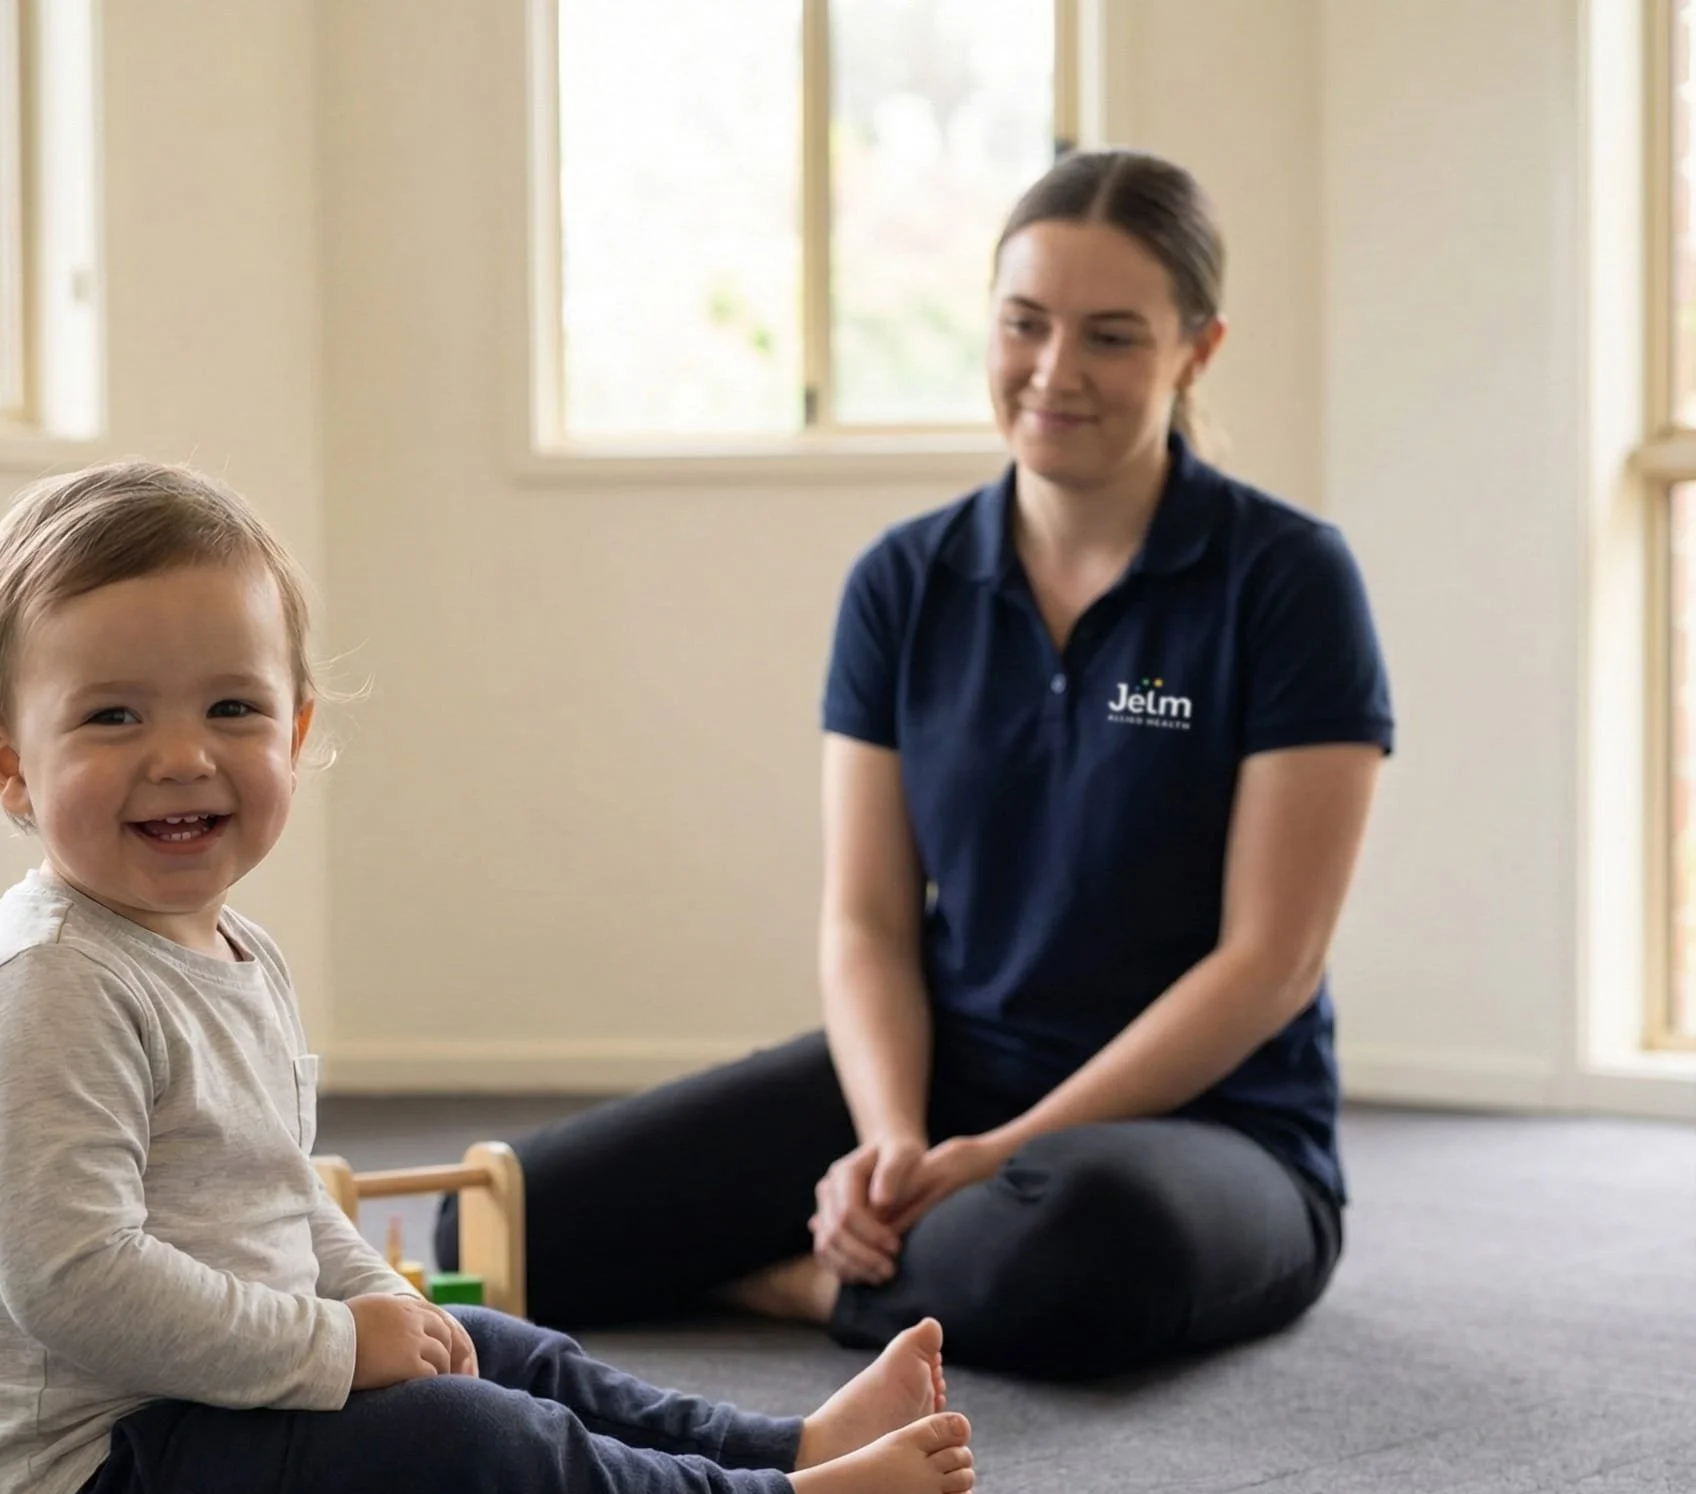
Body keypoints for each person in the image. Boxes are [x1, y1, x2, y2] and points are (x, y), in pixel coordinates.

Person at [0, 460, 976, 1494]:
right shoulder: (48, 987)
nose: (181, 756)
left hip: (223, 1403)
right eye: (113, 715)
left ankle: (784, 1449)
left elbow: (271, 1196)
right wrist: (332, 1346)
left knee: (491, 1346)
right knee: (458, 1444)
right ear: (9, 759)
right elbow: (76, 1283)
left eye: (232, 707)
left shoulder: (233, 952)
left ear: (297, 727)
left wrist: (375, 1299)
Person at [447, 150, 1394, 1381]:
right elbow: (868, 919)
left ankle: (791, 1282)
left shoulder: (1288, 581)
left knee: (1086, 1250)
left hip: (1207, 1135)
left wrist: (999, 1155)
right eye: (1024, 324)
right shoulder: (905, 581)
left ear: (1196, 352)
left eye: (1111, 336)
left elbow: (1270, 963)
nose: (1055, 372)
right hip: (944, 1079)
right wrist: (897, 1138)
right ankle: (874, 1243)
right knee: (494, 1227)